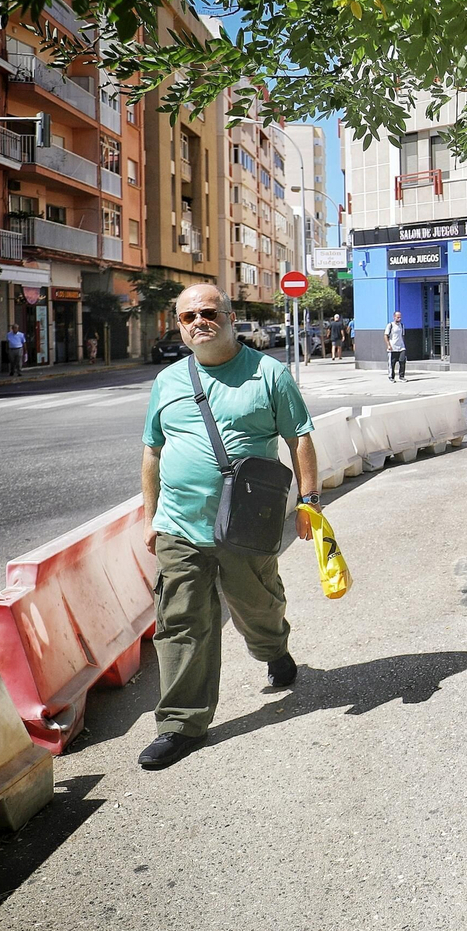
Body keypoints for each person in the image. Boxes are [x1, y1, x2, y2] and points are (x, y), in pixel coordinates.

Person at [138, 284, 320, 771]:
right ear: (179, 325)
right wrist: (151, 516)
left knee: (257, 602)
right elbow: (153, 451)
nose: (199, 321)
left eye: (209, 312)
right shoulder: (168, 381)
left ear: (230, 316)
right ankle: (180, 722)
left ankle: (273, 647)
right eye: (187, 316)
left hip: (246, 522)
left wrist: (310, 502)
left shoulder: (269, 373)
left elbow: (299, 436)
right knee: (180, 621)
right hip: (179, 525)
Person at [384, 311, 407, 382]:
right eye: (398, 317)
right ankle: (391, 376)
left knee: (402, 361)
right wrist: (388, 345)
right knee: (392, 363)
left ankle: (401, 376)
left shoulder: (402, 326)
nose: (399, 319)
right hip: (392, 347)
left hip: (401, 347)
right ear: (394, 317)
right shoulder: (390, 325)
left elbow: (402, 336)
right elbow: (385, 336)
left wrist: (403, 344)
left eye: (400, 317)